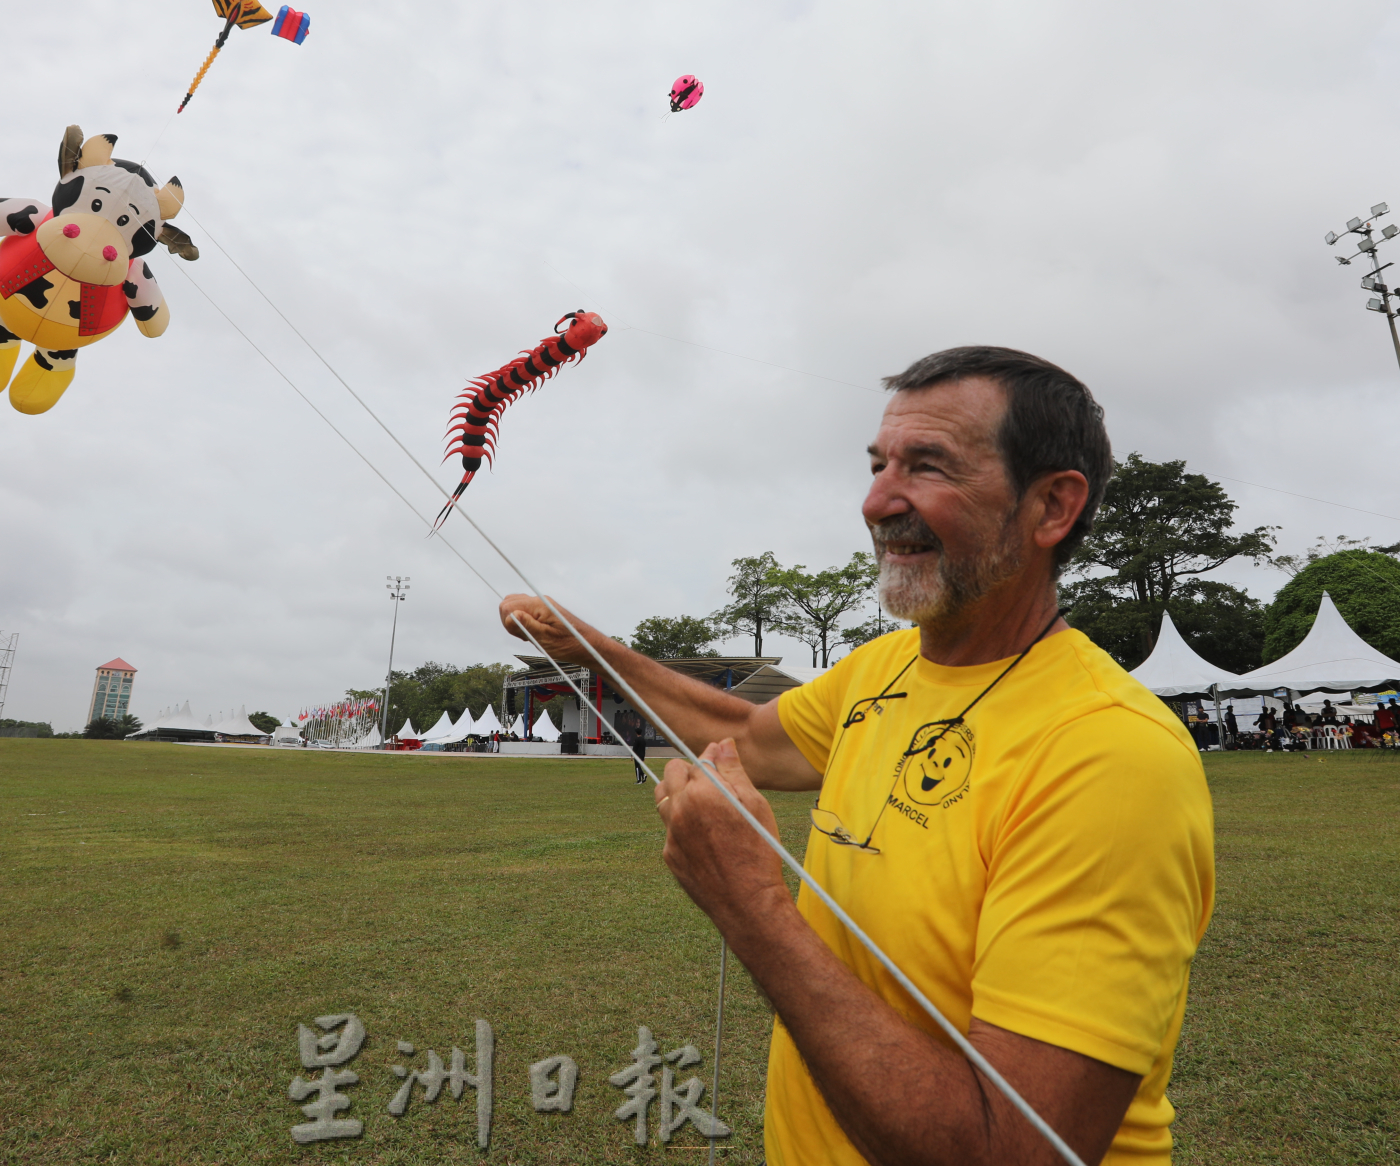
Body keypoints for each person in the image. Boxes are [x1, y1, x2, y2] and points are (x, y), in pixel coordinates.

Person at [501, 346, 1213, 1166]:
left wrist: (752, 908)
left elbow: (1015, 1149)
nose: (877, 501)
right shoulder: (884, 669)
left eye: (929, 467)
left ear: (1052, 505)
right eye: (878, 466)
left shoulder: (1110, 756)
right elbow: (735, 732)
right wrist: (589, 648)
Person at [631, 717, 649, 784]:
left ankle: (639, 780)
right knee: (639, 766)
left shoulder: (637, 740)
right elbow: (643, 748)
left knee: (637, 767)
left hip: (637, 755)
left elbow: (635, 748)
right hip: (641, 755)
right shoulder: (643, 740)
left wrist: (632, 755)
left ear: (636, 733)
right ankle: (643, 775)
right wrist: (643, 756)